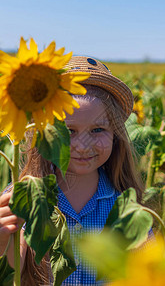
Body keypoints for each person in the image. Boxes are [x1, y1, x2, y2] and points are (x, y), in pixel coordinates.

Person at [0, 56, 144, 285]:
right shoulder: (24, 195)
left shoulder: (127, 204)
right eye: (68, 131)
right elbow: (13, 271)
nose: (82, 145)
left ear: (115, 134)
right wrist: (3, 238)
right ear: (45, 134)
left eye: (97, 130)